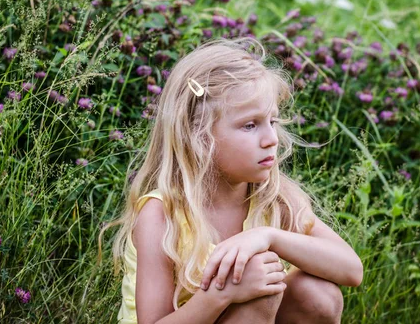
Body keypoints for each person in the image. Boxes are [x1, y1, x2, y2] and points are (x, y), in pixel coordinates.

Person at [99, 37, 363, 324]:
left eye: (272, 122)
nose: (271, 139)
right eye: (250, 125)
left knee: (317, 293)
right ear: (198, 135)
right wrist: (221, 294)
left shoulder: (273, 196)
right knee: (261, 288)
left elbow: (351, 270)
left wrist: (268, 237)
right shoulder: (162, 214)